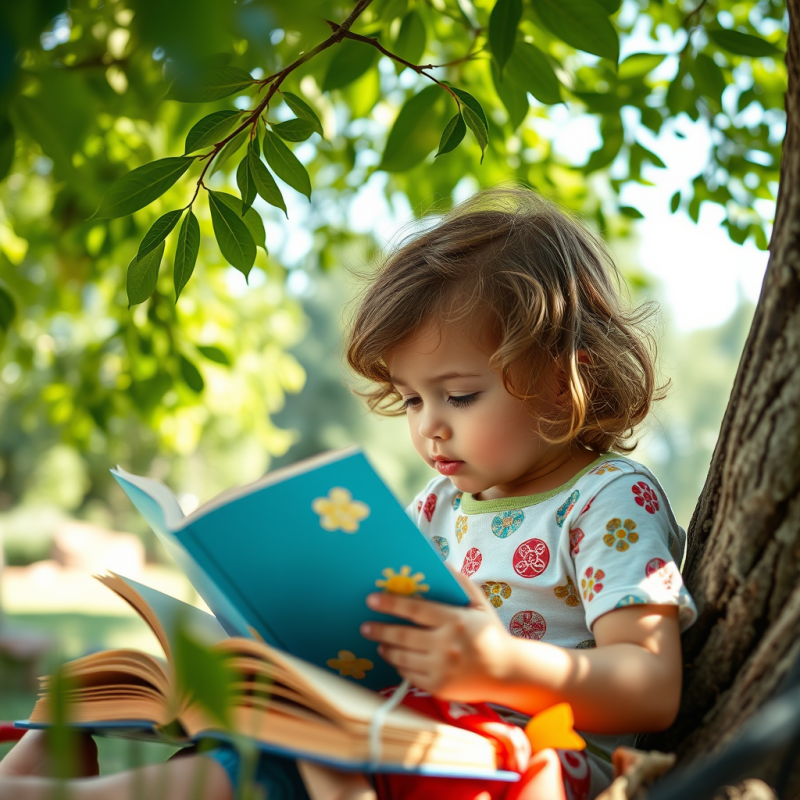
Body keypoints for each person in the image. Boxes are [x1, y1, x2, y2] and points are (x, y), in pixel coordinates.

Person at [0, 185, 696, 800]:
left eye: (458, 395)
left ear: (558, 375)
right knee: (263, 731)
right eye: (411, 400)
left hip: (529, 758)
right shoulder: (439, 506)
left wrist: (503, 666)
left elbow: (650, 686)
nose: (430, 428)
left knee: (296, 761)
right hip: (406, 734)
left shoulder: (607, 500)